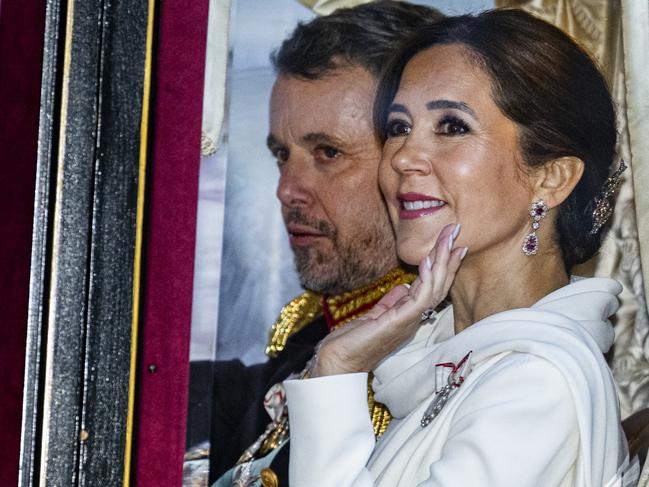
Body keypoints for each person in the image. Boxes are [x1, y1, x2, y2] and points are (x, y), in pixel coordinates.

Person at [285, 9, 638, 487]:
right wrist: (339, 365)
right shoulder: (445, 360)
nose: (403, 156)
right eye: (398, 126)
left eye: (451, 126)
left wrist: (336, 374)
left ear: (551, 177)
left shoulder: (535, 384)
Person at [202, 3, 444, 486]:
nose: (287, 189)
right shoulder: (304, 335)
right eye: (281, 155)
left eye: (328, 153)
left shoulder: (451, 360)